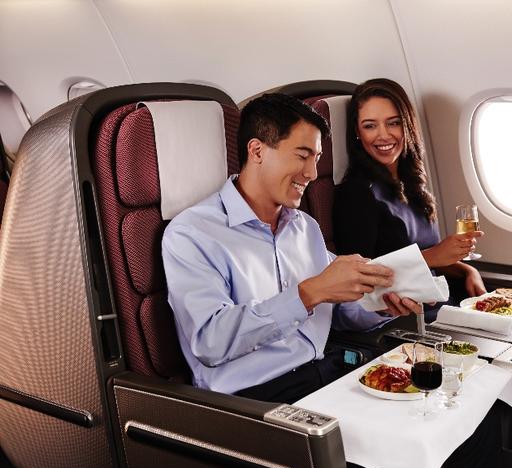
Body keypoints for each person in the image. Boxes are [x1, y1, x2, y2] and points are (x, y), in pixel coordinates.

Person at [162, 93, 421, 403]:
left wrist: (379, 305)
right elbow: (210, 342)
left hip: (326, 371)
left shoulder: (304, 227)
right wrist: (309, 293)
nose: (312, 173)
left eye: (316, 158)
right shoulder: (192, 234)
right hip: (256, 398)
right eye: (302, 155)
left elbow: (337, 310)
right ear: (256, 150)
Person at [334, 78, 486, 320]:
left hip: (442, 305)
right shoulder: (356, 194)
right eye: (370, 126)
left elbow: (425, 255)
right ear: (356, 132)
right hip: (406, 318)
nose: (383, 135)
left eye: (393, 123)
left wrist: (466, 270)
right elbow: (359, 275)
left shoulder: (412, 182)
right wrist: (435, 255)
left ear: (407, 125)